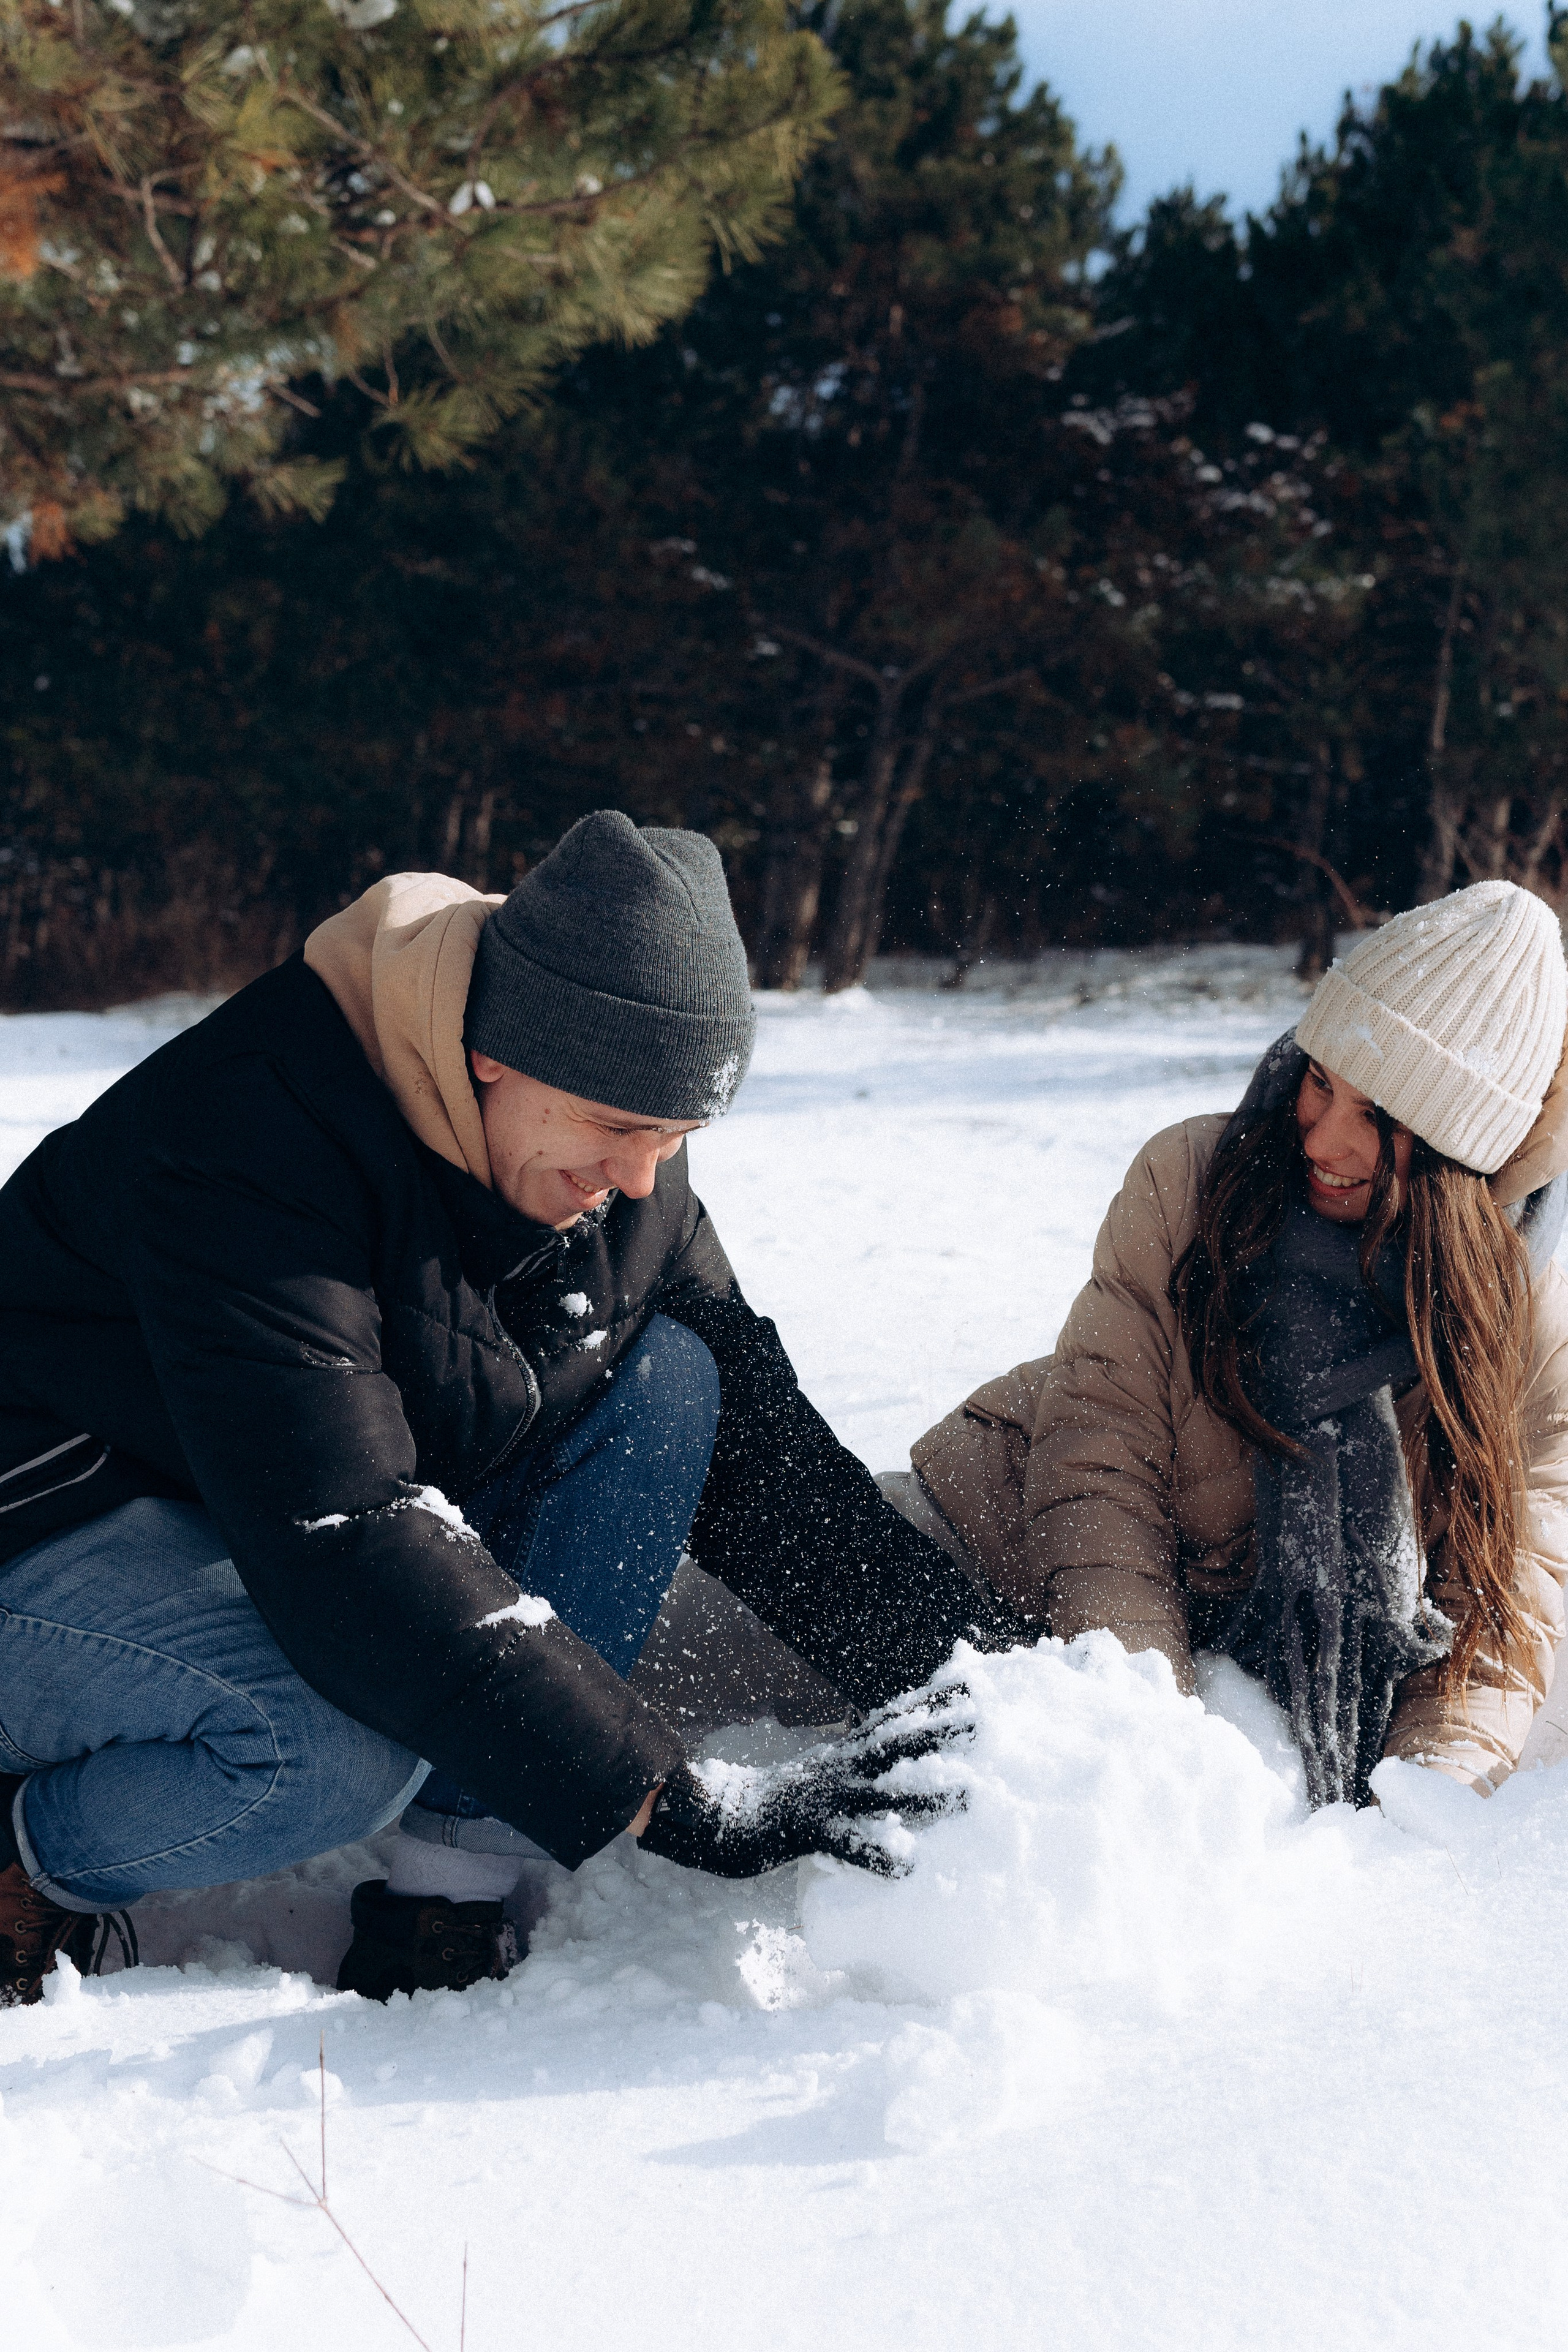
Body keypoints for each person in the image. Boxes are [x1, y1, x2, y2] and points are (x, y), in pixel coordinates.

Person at [0, 812, 1001, 2005]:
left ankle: (450, 1894)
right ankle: (26, 1850)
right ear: (492, 1053)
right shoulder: (249, 1135)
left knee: (672, 1377)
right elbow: (346, 1529)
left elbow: (769, 1456)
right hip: (54, 1512)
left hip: (238, 1505)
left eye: (676, 1136)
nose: (640, 1178)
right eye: (618, 1130)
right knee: (326, 1754)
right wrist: (666, 1796)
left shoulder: (612, 1158)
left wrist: (986, 1684)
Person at [902, 881, 1568, 1806]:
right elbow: (1101, 1460)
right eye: (1321, 1081)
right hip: (998, 1551)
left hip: (1269, 1685)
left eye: (1381, 1118)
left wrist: (1430, 1802)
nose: (1324, 1140)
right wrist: (1149, 1738)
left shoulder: (1520, 1310)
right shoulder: (1191, 1180)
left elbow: (1507, 1597)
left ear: (1460, 1155)